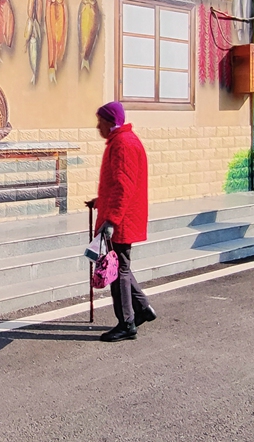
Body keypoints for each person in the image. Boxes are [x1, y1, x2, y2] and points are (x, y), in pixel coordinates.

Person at [87, 100, 155, 342]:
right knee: (122, 266)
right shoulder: (124, 140)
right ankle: (143, 309)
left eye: (100, 122)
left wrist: (111, 218)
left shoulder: (123, 144)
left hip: (122, 218)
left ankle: (126, 323)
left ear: (109, 122)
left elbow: (124, 186)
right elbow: (119, 184)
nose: (98, 127)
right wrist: (101, 200)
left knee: (118, 271)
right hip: (124, 214)